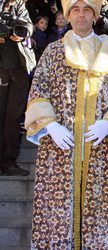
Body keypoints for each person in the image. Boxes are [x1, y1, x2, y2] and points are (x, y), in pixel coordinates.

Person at [24, 0, 108, 248]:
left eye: (87, 9)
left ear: (95, 15)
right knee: (57, 211)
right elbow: (38, 89)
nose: (81, 15)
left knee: (103, 209)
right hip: (60, 148)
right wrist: (50, 125)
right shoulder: (53, 51)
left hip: (101, 146)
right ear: (68, 15)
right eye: (75, 9)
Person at [0, 0, 36, 176]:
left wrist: (22, 33)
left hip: (19, 69)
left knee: (13, 118)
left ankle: (9, 162)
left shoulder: (20, 5)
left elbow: (28, 25)